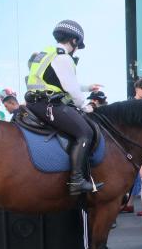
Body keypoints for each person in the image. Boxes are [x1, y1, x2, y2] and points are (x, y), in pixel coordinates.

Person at [25, 20, 100, 196]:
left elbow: (58, 82)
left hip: (37, 102)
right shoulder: (63, 57)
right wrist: (85, 105)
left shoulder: (47, 53)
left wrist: (88, 87)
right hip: (48, 104)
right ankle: (76, 180)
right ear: (73, 41)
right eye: (78, 45)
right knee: (85, 133)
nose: (77, 49)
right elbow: (70, 88)